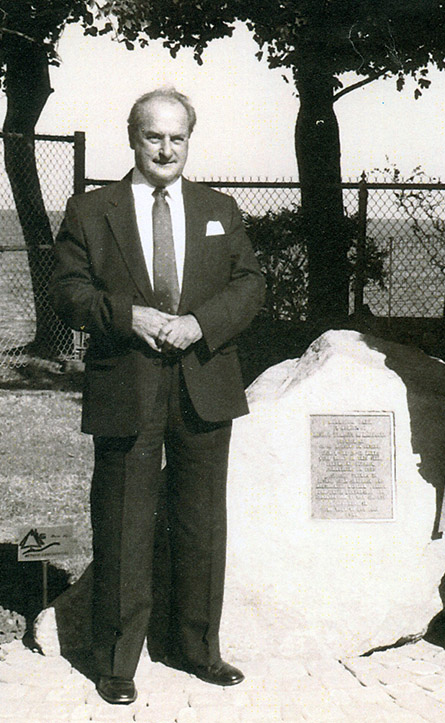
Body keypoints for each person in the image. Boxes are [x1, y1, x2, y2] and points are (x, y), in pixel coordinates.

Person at [49, 87, 265, 704]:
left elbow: (250, 284)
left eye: (177, 137)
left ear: (189, 141)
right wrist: (128, 316)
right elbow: (68, 290)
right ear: (133, 138)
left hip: (205, 382)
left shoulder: (218, 207)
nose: (166, 148)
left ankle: (195, 647)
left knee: (201, 524)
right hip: (128, 384)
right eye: (154, 136)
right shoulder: (92, 210)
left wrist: (201, 323)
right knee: (123, 522)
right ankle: (115, 661)